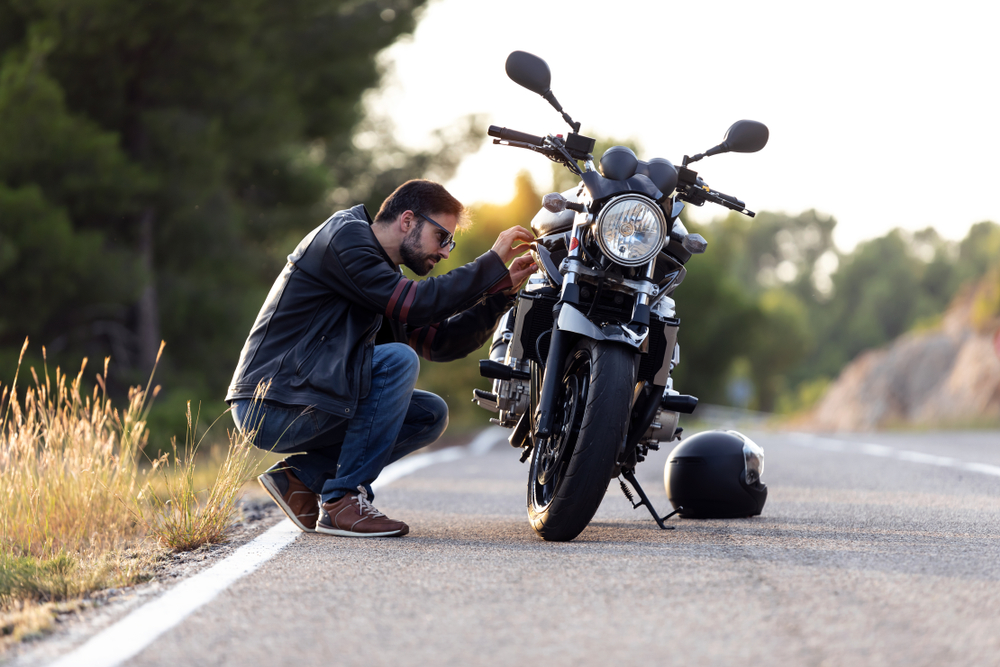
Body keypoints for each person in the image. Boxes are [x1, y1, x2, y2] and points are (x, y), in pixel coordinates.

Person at [227, 179, 535, 537]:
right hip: (271, 401)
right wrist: (490, 264)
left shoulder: (384, 276)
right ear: (407, 221)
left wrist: (498, 294)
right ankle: (343, 500)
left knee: (428, 415)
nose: (446, 252)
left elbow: (441, 342)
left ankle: (300, 479)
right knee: (398, 361)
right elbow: (416, 303)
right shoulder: (344, 238)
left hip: (310, 396)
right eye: (443, 238)